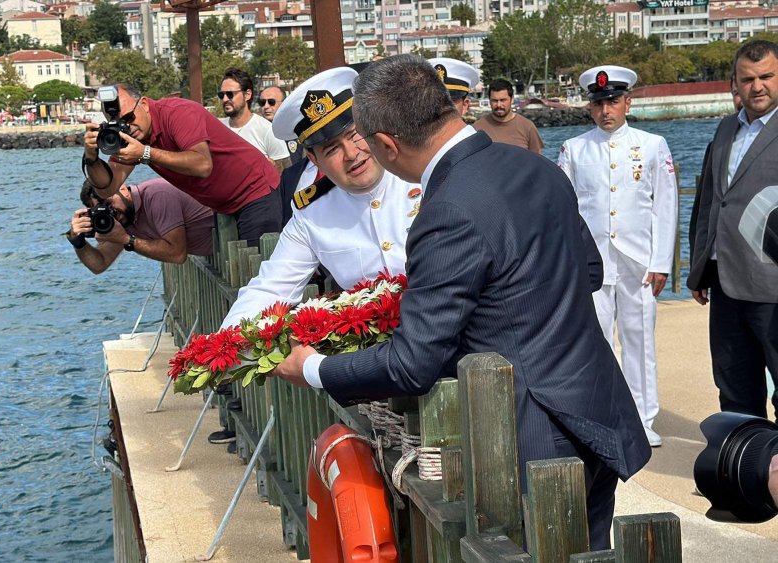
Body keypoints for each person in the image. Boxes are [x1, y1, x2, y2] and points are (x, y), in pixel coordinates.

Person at [274, 54, 650, 550]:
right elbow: (589, 270)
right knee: (592, 550)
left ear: (387, 143)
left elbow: (412, 364)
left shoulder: (446, 209)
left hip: (525, 431)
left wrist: (315, 368)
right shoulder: (532, 166)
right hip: (595, 406)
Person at [208, 67, 423, 444]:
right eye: (331, 149)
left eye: (355, 135)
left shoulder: (421, 172)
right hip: (382, 382)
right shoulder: (312, 214)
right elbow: (269, 287)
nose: (352, 154)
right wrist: (222, 349)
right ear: (312, 159)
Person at [557, 65, 678, 448]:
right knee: (597, 340)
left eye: (612, 101)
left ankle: (643, 419)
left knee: (640, 339)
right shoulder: (574, 149)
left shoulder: (653, 145)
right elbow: (565, 208)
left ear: (628, 102)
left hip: (638, 260)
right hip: (592, 262)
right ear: (589, 108)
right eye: (598, 103)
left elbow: (666, 206)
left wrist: (661, 261)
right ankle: (605, 415)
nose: (605, 109)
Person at [687, 39, 778, 420]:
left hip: (772, 284)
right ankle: (749, 472)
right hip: (725, 284)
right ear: (734, 84)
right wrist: (698, 269)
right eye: (748, 79)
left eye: (767, 77)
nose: (757, 86)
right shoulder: (725, 129)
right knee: (734, 386)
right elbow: (710, 200)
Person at [82, 83, 282, 249]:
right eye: (117, 123)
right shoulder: (131, 137)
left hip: (256, 191)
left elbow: (203, 165)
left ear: (144, 104)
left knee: (260, 274)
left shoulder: (178, 112)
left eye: (128, 118)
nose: (126, 127)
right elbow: (107, 187)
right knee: (244, 275)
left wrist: (145, 153)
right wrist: (92, 157)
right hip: (225, 205)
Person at [67, 178, 215, 271]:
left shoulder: (156, 195)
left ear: (123, 189)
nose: (111, 212)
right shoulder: (122, 221)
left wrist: (126, 240)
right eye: (102, 210)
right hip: (220, 254)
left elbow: (177, 254)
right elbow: (99, 264)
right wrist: (78, 242)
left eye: (109, 203)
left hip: (232, 236)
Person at [219, 68, 291, 170]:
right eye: (222, 95)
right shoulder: (218, 128)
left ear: (247, 94)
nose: (225, 99)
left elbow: (286, 174)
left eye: (230, 94)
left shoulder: (267, 130)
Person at [473, 78, 544, 154]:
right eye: (495, 100)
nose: (499, 105)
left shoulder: (527, 127)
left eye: (503, 100)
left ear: (512, 99)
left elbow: (538, 161)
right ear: (489, 100)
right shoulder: (477, 129)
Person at [259, 85, 305, 165]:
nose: (266, 106)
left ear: (283, 103)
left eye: (271, 102)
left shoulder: (297, 129)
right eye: (262, 103)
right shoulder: (257, 131)